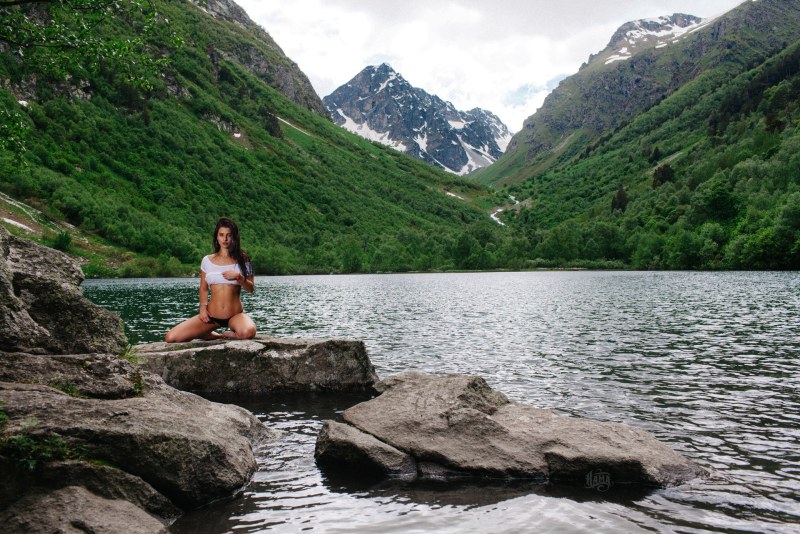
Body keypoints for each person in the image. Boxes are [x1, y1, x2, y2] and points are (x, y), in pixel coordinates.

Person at [165, 217, 257, 342]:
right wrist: (202, 309)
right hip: (212, 315)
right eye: (221, 235)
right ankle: (207, 333)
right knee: (171, 337)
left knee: (248, 332)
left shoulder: (243, 259)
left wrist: (239, 278)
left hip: (235, 315)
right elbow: (203, 288)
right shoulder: (207, 260)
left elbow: (251, 288)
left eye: (229, 235)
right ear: (216, 237)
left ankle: (229, 334)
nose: (225, 239)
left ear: (234, 237)